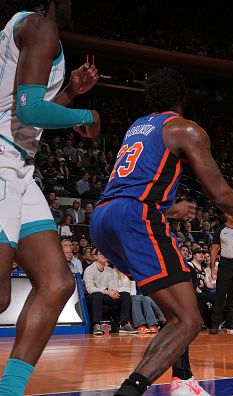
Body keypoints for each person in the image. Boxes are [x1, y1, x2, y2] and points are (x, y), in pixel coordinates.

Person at [91, 69, 233, 396]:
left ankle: (183, 378)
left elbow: (131, 185)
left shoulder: (137, 127)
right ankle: (130, 391)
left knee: (177, 299)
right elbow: (218, 192)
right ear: (183, 99)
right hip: (135, 217)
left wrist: (168, 209)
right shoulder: (185, 128)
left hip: (103, 218)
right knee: (189, 320)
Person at [0, 1, 101, 393]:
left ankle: (9, 390)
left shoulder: (31, 29)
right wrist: (86, 116)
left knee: (58, 282)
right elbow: (28, 110)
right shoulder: (43, 28)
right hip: (3, 160)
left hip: (19, 164)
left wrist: (71, 92)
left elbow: (26, 114)